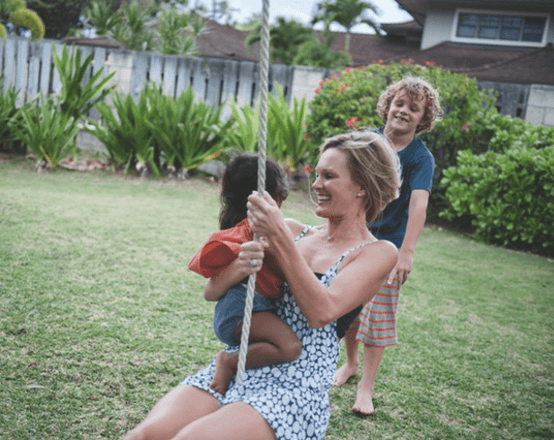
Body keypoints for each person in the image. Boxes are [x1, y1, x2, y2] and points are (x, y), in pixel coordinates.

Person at [123, 131, 401, 440]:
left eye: (329, 176)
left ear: (363, 186)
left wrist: (280, 241)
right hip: (242, 363)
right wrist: (242, 255)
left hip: (295, 387)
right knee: (144, 436)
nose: (316, 185)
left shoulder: (376, 253)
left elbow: (322, 311)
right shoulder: (293, 229)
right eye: (317, 174)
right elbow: (216, 282)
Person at [333, 76, 442, 416]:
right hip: (354, 236)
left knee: (377, 316)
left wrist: (406, 252)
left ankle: (366, 387)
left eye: (414, 108)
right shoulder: (366, 141)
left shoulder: (420, 158)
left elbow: (418, 205)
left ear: (423, 119)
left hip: (388, 247)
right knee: (349, 307)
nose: (404, 111)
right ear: (387, 106)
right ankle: (349, 364)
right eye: (399, 104)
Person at [188, 155, 302, 395]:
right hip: (241, 309)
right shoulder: (251, 233)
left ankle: (238, 365)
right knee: (289, 347)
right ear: (272, 196)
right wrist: (240, 265)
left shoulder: (262, 230)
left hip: (245, 310)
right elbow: (210, 292)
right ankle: (228, 362)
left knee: (283, 348)